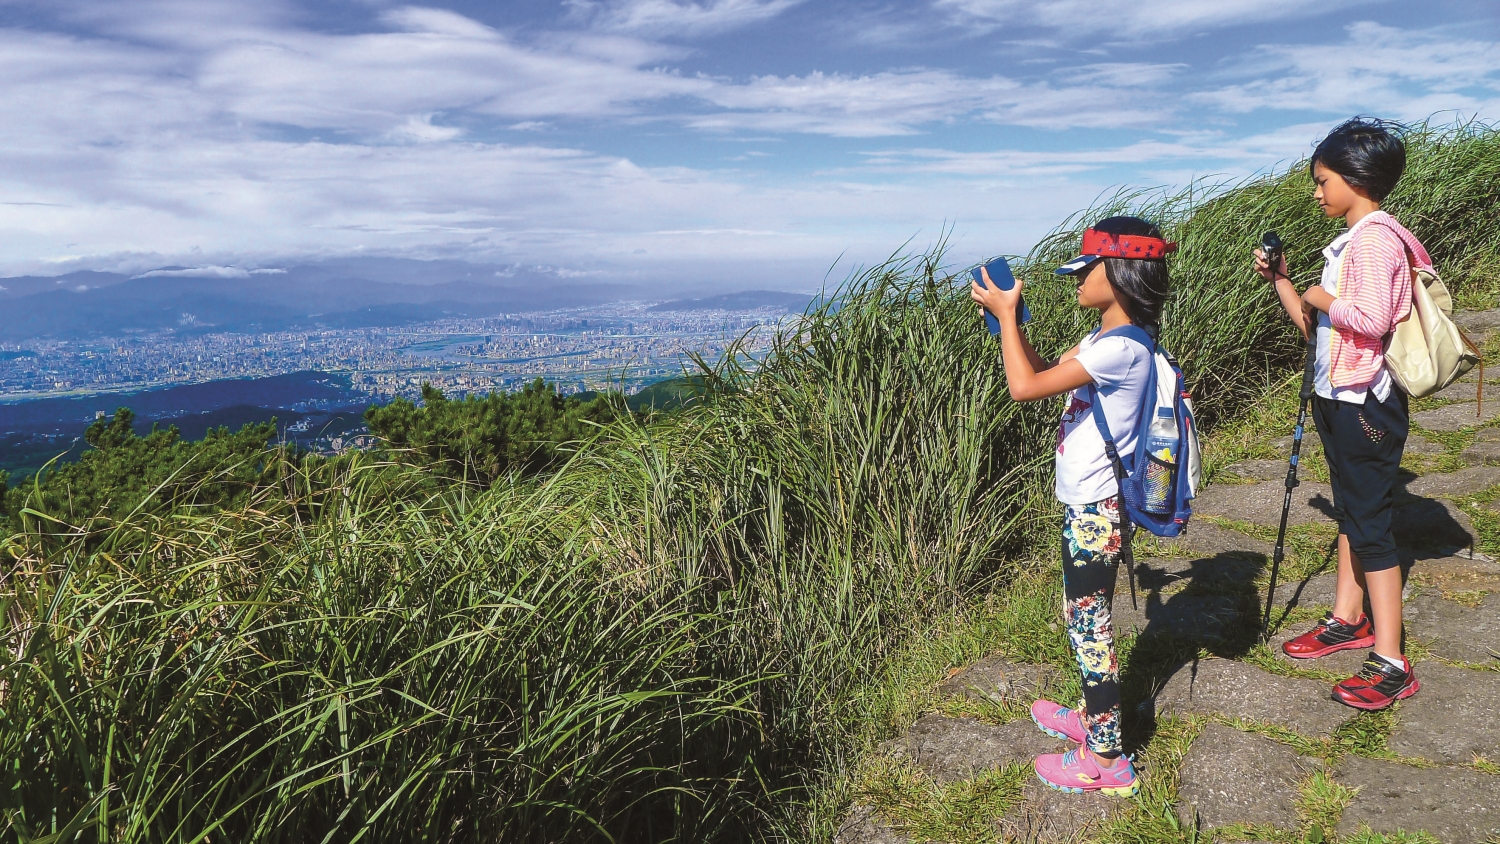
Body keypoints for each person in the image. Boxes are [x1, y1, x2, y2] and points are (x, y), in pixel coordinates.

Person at [970, 215, 1175, 797]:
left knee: (1090, 627)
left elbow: (1022, 388)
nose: (1077, 280)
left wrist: (1007, 313)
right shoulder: (1105, 342)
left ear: (1120, 272)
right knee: (1081, 616)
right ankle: (1094, 717)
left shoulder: (1123, 348)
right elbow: (1040, 372)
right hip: (1088, 502)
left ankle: (1107, 760)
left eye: (1087, 269)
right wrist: (1010, 324)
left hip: (1096, 508)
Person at [1255, 117, 1425, 709]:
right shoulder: (1355, 240)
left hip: (1365, 402)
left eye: (1323, 180)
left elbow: (1369, 320)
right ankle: (1348, 618)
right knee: (1353, 509)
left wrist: (1319, 294)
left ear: (1356, 179)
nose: (1317, 192)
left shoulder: (1374, 240)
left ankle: (1392, 661)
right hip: (1340, 395)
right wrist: (1286, 283)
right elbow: (1318, 327)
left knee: (1370, 525)